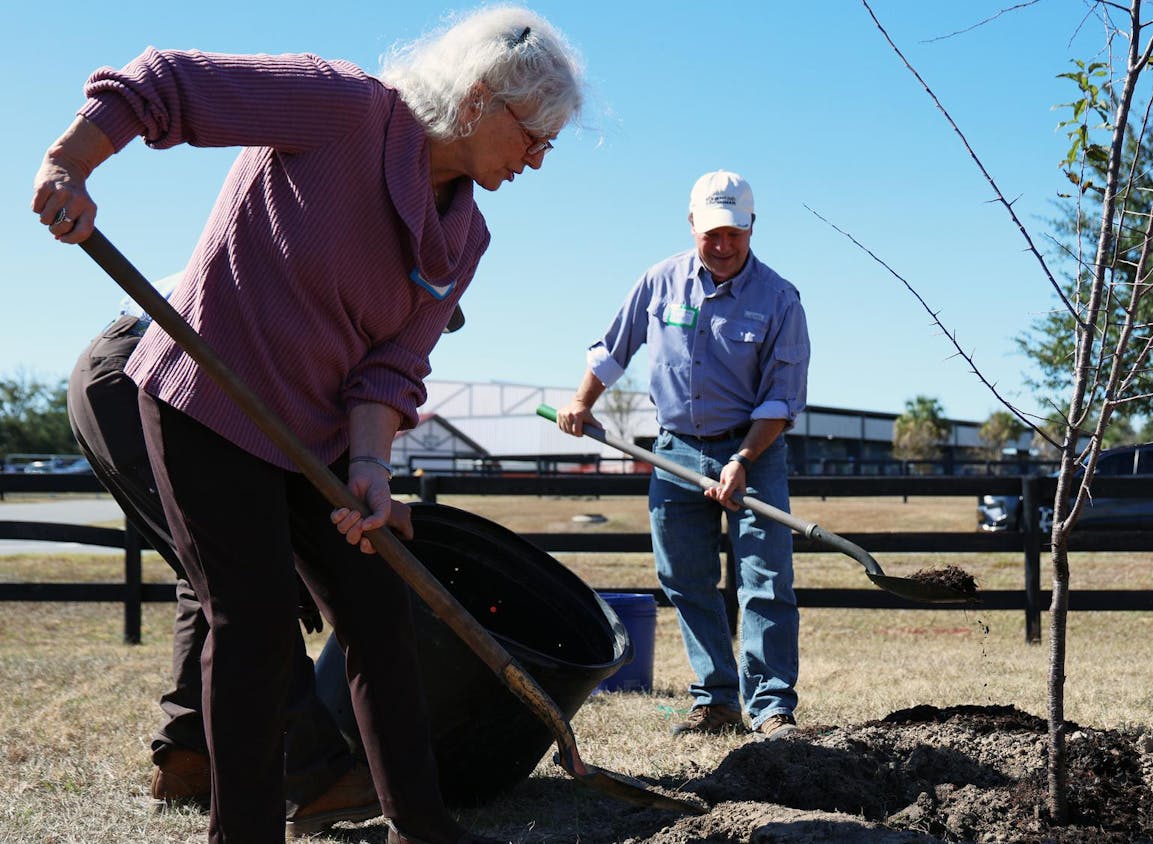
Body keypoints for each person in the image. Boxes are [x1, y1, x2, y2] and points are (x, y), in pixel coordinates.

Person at [34, 6, 584, 843]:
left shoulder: (465, 235)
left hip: (319, 440)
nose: (540, 158)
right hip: (207, 401)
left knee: (380, 614)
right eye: (535, 133)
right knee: (250, 620)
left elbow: (392, 366)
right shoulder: (341, 108)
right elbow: (166, 84)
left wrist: (370, 465)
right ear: (480, 98)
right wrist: (70, 162)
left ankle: (421, 827)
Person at [67, 283, 462, 834]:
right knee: (246, 587)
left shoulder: (357, 306)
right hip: (151, 367)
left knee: (206, 575)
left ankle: (188, 753)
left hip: (167, 366)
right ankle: (313, 776)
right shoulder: (335, 284)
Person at [556, 170, 811, 741]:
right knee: (685, 579)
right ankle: (717, 700)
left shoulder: (779, 299)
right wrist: (580, 402)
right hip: (675, 452)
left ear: (752, 228)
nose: (723, 247)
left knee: (765, 580)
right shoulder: (660, 282)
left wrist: (742, 460)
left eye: (735, 235)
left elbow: (781, 397)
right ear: (693, 224)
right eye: (711, 234)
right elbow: (613, 348)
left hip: (754, 452)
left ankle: (772, 709)